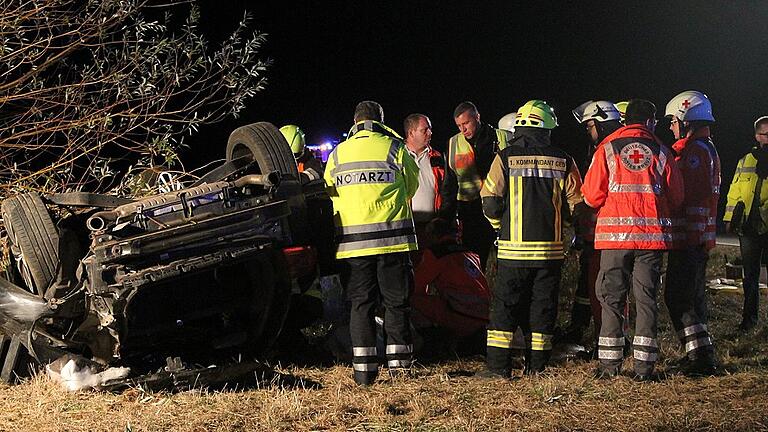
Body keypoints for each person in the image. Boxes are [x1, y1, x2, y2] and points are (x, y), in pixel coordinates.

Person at [477, 100, 585, 377]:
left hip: (513, 252)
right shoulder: (564, 159)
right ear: (548, 128)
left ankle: (498, 369)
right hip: (550, 253)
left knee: (504, 309)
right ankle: (537, 369)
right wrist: (568, 230)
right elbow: (577, 205)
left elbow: (489, 201)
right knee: (543, 309)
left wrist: (499, 227)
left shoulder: (505, 157)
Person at [582, 99, 684, 381]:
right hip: (650, 241)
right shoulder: (663, 151)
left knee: (612, 299)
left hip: (614, 241)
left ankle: (609, 367)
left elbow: (591, 196)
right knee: (646, 300)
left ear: (625, 119)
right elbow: (677, 198)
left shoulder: (607, 149)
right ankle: (644, 369)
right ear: (651, 122)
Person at [323, 100, 419, 385]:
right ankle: (400, 370)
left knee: (360, 305)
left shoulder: (338, 154)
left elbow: (331, 193)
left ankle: (364, 372)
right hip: (392, 242)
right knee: (396, 303)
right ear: (380, 119)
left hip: (354, 245)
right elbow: (412, 186)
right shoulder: (395, 148)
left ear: (355, 121)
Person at [663, 90, 719, 374]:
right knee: (690, 298)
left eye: (673, 121)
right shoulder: (702, 148)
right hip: (693, 239)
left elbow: (686, 193)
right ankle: (699, 354)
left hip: (689, 238)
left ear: (686, 120)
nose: (671, 127)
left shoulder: (695, 152)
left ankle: (701, 357)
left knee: (678, 296)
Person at [562, 101, 624, 347]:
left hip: (605, 236)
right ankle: (589, 331)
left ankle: (606, 341)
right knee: (592, 288)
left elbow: (593, 196)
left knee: (604, 291)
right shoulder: (606, 149)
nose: (588, 131)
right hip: (598, 235)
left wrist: (581, 203)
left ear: (600, 123)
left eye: (590, 126)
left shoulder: (607, 150)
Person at [440, 101, 514, 267]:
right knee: (473, 263)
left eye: (466, 123)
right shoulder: (453, 143)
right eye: (459, 125)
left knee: (505, 263)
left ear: (477, 117)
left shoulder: (502, 138)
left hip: (501, 209)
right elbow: (449, 185)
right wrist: (446, 217)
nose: (463, 129)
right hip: (471, 212)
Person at [410, 218, 489, 354]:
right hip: (482, 318)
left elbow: (415, 286)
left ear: (434, 235)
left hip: (459, 315)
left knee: (406, 299)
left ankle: (430, 341)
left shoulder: (436, 253)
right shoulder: (471, 253)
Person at [724, 115, 768, 332]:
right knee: (749, 276)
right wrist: (728, 218)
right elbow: (734, 191)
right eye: (764, 134)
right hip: (748, 225)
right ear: (756, 135)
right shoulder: (745, 161)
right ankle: (749, 320)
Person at [403, 114, 445, 240]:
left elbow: (445, 189)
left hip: (432, 228)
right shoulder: (398, 157)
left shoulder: (437, 157)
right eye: (424, 130)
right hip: (407, 227)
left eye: (430, 129)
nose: (430, 133)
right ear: (411, 133)